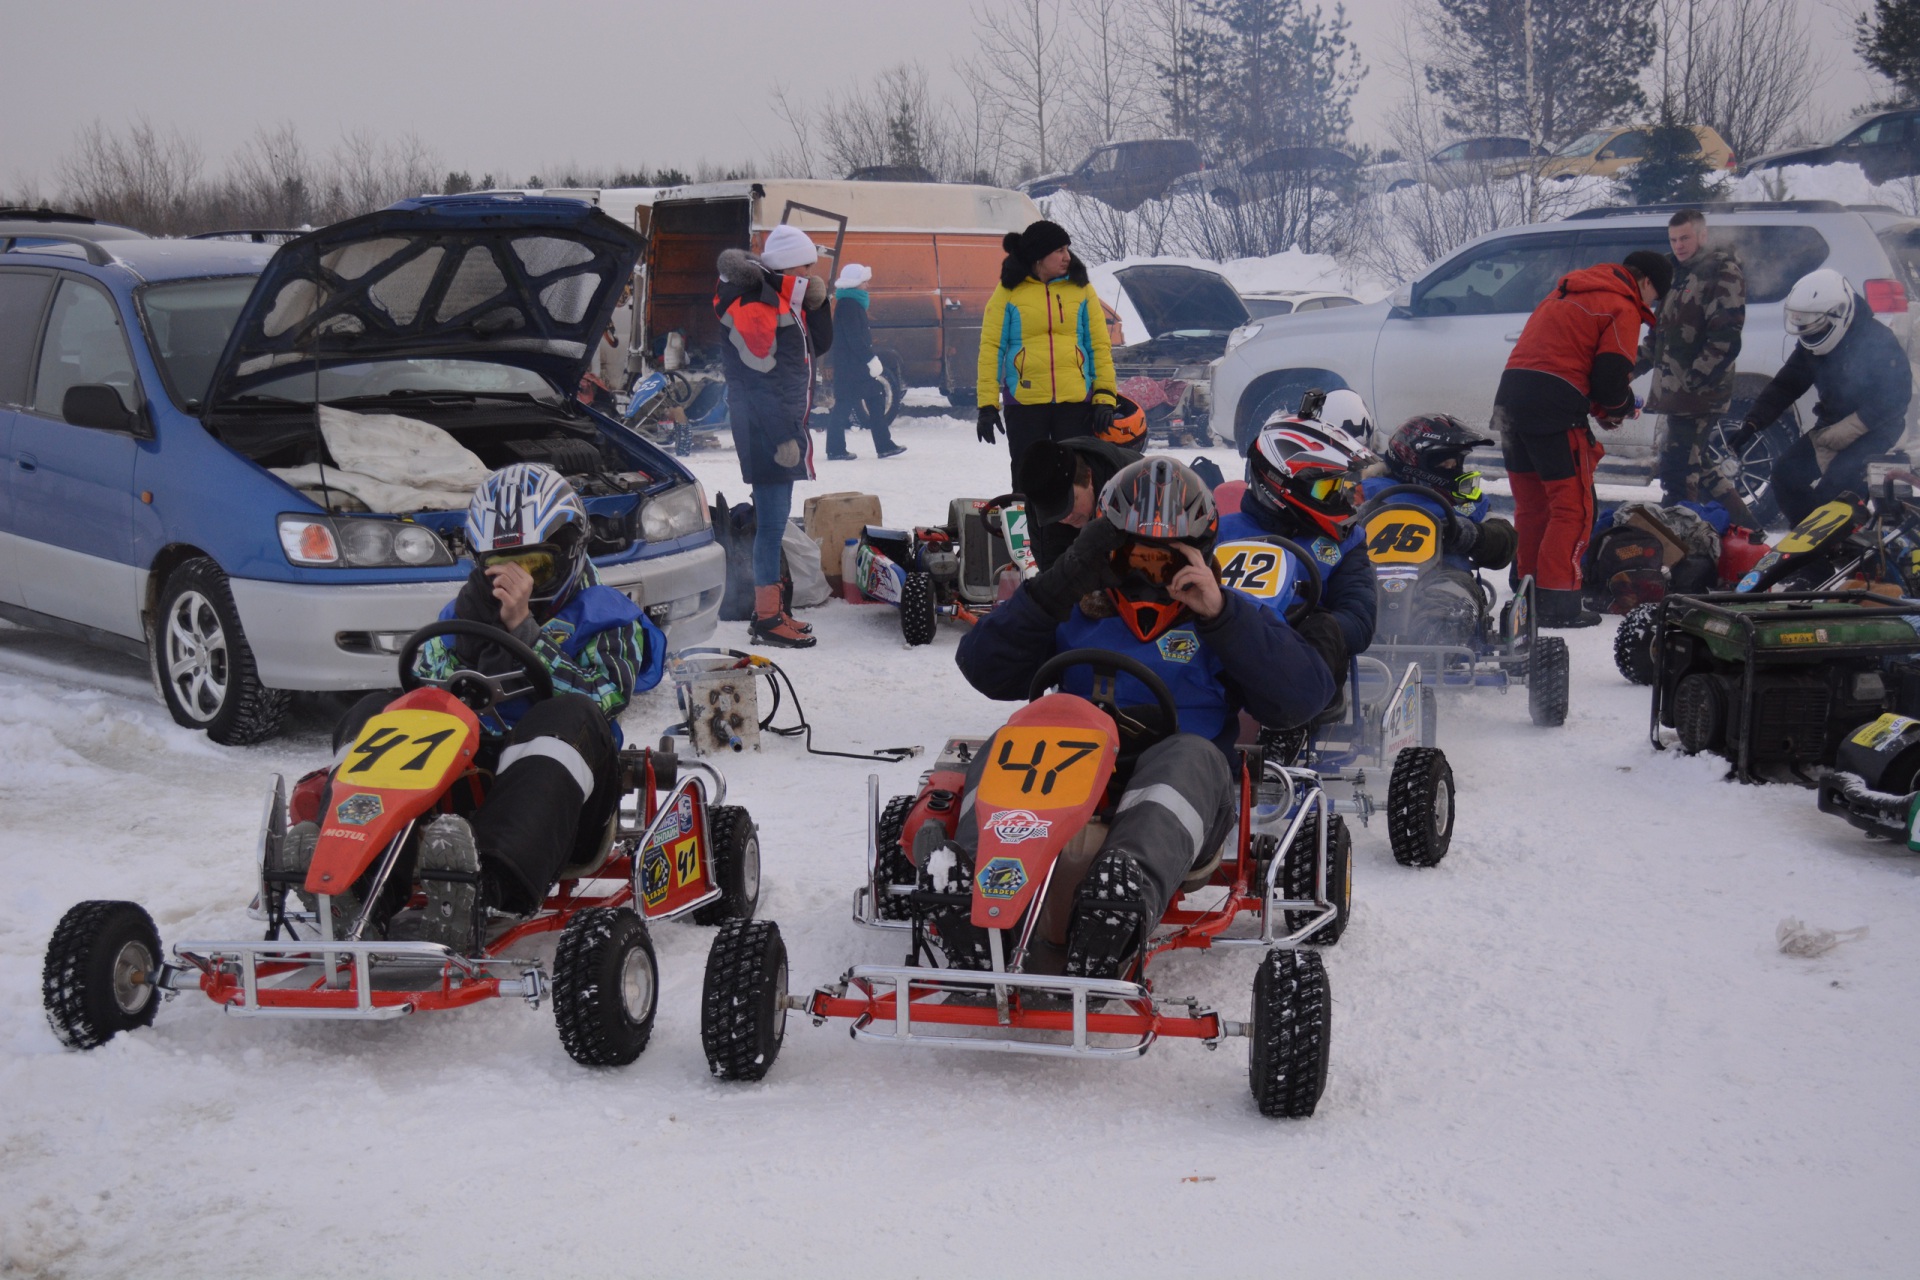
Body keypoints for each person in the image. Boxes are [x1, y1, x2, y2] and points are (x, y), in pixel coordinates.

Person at [951, 459, 1338, 979]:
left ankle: (1119, 899)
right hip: (1068, 778)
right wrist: (1062, 582)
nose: (1147, 574)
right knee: (1014, 737)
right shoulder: (1073, 606)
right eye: (1133, 556)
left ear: (1197, 554)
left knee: (1190, 754)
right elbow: (984, 669)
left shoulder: (1230, 615)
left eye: (1164, 560)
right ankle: (973, 888)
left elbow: (1300, 699)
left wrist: (1222, 614)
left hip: (1184, 790)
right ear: (1105, 549)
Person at [278, 464, 666, 953]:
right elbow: (421, 686)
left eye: (535, 568)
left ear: (571, 550)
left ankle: (482, 887)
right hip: (463, 796)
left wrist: (525, 629)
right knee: (379, 711)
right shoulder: (464, 613)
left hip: (568, 801)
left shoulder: (610, 616)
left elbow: (602, 694)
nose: (517, 584)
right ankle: (357, 882)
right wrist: (469, 631)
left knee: (565, 715)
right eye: (502, 569)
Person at [1493, 250, 1670, 628]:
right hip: (1554, 411)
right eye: (1655, 297)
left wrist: (1604, 407)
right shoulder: (1621, 305)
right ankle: (1558, 603)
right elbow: (1608, 381)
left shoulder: (1563, 293)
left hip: (1510, 401)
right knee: (1572, 507)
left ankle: (1527, 598)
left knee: (1532, 505)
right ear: (1647, 283)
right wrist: (1619, 408)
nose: (1651, 304)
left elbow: (1560, 361)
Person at [715, 224, 833, 648]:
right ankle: (767, 617)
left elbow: (815, 347)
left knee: (774, 521)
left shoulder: (783, 301)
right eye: (806, 267)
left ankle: (773, 610)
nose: (810, 273)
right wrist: (784, 436)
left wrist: (817, 304)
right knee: (771, 524)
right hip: (766, 426)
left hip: (777, 423)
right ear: (787, 266)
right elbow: (758, 383)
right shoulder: (757, 306)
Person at [1724, 269, 1914, 527]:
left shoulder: (1878, 340)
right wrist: (1752, 423)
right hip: (1831, 425)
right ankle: (1813, 544)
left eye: (1815, 328)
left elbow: (1897, 395)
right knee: (1785, 475)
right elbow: (1785, 384)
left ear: (1839, 314)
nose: (1809, 336)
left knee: (1836, 489)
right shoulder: (1810, 347)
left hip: (1878, 428)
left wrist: (1854, 425)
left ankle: (1836, 543)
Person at [1217, 414, 1378, 679]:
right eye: (1325, 489)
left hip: (1302, 671)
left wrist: (1307, 630)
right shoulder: (1220, 533)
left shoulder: (1347, 542)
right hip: (1220, 665)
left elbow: (1359, 620)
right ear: (1279, 484)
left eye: (1338, 487)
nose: (1337, 498)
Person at [975, 219, 1119, 488]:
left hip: (1075, 404)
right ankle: (1029, 531)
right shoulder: (1007, 291)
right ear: (1039, 257)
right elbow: (991, 349)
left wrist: (1104, 396)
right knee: (1028, 484)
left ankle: (1077, 532)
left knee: (1078, 483)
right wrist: (987, 405)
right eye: (1059, 250)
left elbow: (1099, 346)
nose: (1067, 257)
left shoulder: (1081, 289)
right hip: (1025, 404)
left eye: (1067, 249)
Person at [1634, 209, 1752, 522]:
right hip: (1675, 394)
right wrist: (1628, 368)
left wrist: (1695, 381)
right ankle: (1749, 531)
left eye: (1685, 237)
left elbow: (1725, 337)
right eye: (1673, 239)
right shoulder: (1673, 273)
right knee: (1698, 467)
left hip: (1700, 394)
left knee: (1678, 472)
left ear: (1702, 235)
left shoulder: (1721, 271)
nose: (1679, 245)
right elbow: (1659, 337)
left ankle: (1682, 533)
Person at [1365, 414, 1518, 575]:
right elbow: (1341, 536)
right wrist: (1359, 522)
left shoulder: (1464, 500)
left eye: (1456, 462)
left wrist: (1471, 535)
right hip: (1376, 579)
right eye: (1444, 462)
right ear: (1411, 461)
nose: (1452, 467)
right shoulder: (1369, 494)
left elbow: (1506, 541)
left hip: (1447, 578)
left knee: (1447, 599)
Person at [1015, 400, 1144, 569]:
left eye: (1071, 502)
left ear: (1088, 476)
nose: (1066, 517)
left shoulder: (1138, 485)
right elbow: (1051, 573)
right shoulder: (1040, 503)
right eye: (1055, 512)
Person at [825, 262, 906, 462]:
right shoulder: (850, 306)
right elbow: (855, 338)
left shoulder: (849, 303)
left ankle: (844, 448)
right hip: (853, 367)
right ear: (855, 283)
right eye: (864, 282)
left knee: (869, 399)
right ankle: (878, 446)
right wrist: (870, 359)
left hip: (850, 366)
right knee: (849, 403)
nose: (867, 285)